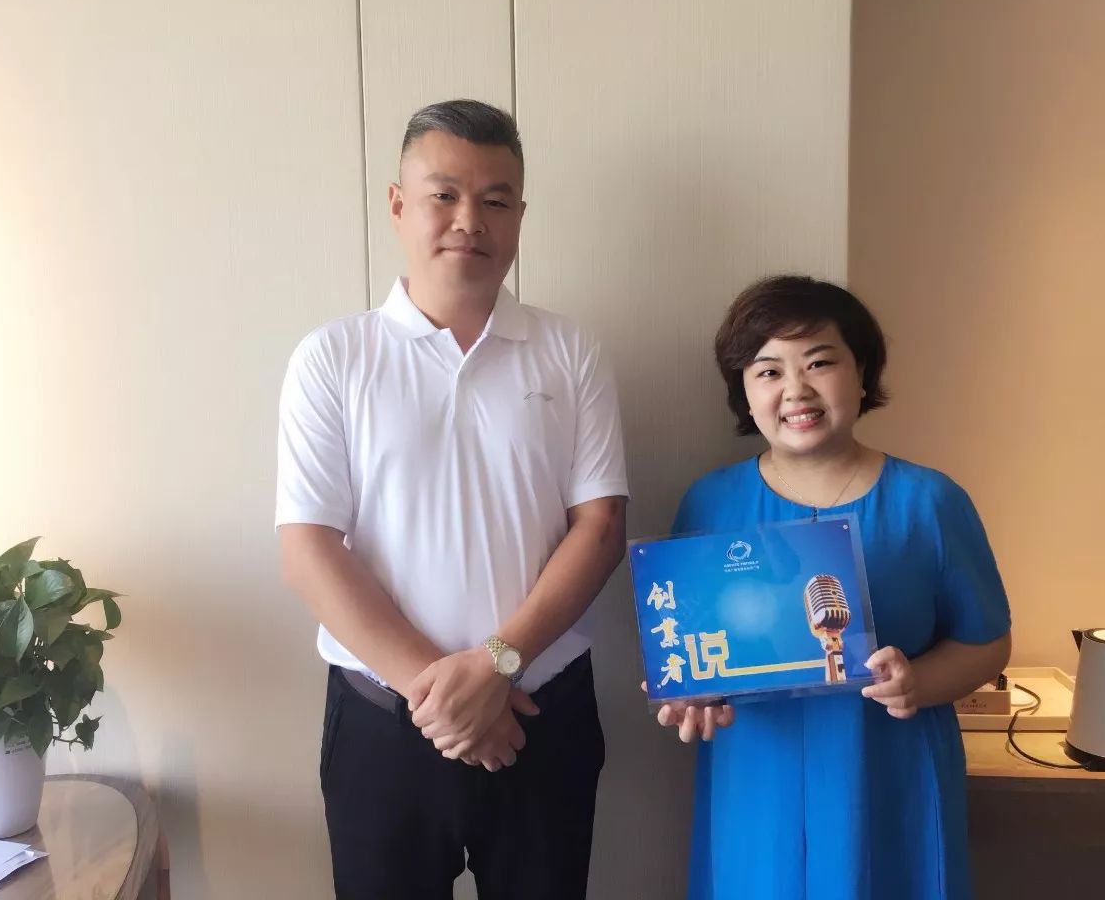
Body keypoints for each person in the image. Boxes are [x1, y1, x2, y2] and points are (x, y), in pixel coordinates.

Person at [276, 99, 628, 899]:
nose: (470, 220)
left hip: (540, 712)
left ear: (520, 215)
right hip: (382, 724)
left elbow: (602, 527)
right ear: (398, 204)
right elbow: (307, 549)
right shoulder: (334, 357)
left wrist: (497, 666)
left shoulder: (570, 351)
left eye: (496, 200)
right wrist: (445, 700)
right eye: (444, 195)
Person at [652, 275, 1011, 900]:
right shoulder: (710, 503)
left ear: (862, 373)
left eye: (819, 362)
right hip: (755, 787)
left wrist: (919, 683)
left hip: (888, 779)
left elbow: (987, 643)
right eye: (768, 371)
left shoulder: (929, 502)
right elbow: (685, 650)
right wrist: (688, 695)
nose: (796, 389)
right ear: (743, 392)